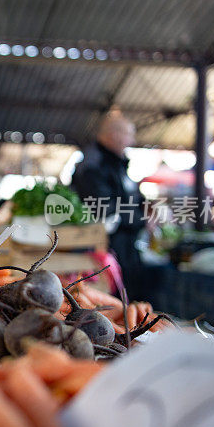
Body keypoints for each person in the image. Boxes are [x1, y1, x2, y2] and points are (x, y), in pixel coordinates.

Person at [71, 107, 145, 299]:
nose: (132, 141)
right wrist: (142, 219)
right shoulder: (93, 166)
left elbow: (129, 197)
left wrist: (146, 208)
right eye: (129, 135)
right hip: (104, 255)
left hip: (125, 252)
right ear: (113, 135)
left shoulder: (117, 164)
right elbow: (105, 209)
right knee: (112, 311)